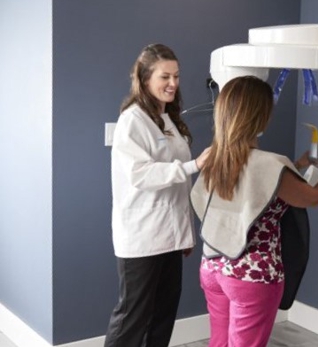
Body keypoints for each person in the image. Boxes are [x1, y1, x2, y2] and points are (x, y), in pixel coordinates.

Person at [190, 75, 318, 347]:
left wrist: (297, 165)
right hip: (252, 275)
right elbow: (313, 197)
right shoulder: (271, 165)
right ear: (260, 117)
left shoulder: (215, 158)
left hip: (213, 266)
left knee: (219, 342)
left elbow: (252, 193)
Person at [105, 43, 209, 347]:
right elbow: (141, 175)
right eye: (165, 77)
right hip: (142, 238)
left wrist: (183, 234)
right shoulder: (132, 121)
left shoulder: (166, 120)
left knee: (163, 317)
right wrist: (195, 164)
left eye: (176, 76)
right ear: (145, 78)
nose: (173, 83)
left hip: (169, 238)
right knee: (131, 320)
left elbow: (176, 187)